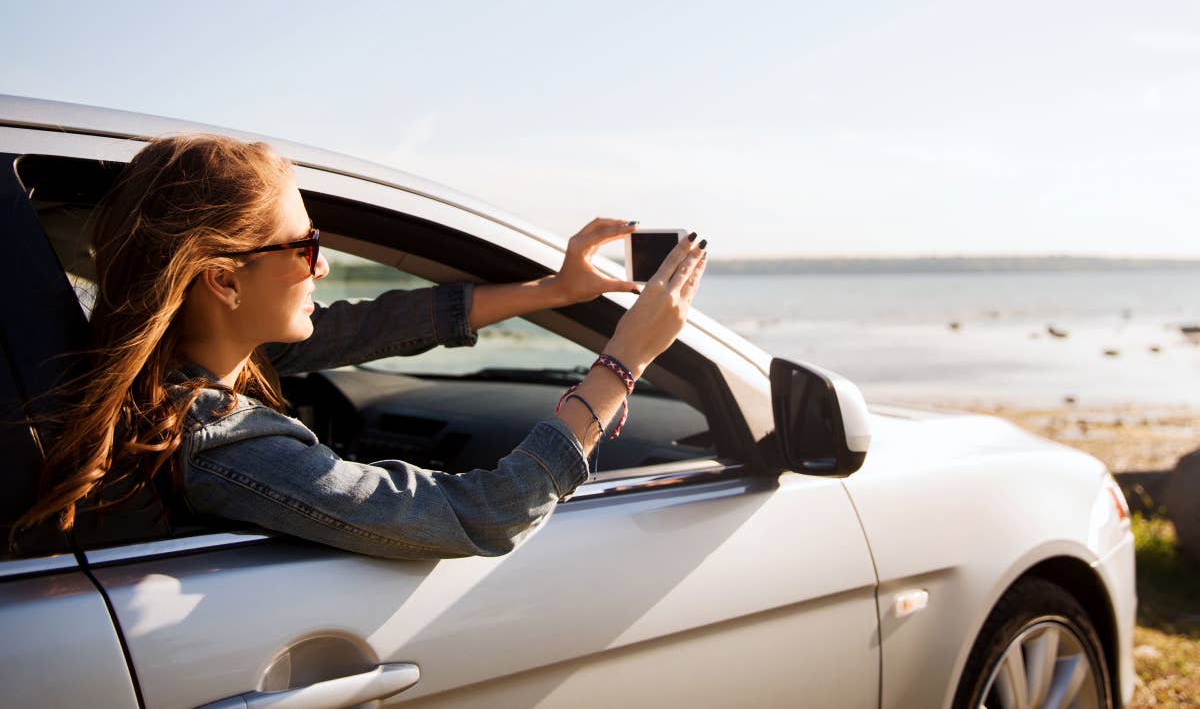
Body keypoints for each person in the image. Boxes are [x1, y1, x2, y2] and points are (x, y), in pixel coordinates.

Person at [17, 133, 708, 559]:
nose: (321, 267)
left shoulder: (180, 366)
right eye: (306, 246)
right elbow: (483, 513)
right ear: (224, 281)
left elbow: (370, 325)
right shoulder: (216, 439)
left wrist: (556, 289)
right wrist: (623, 363)